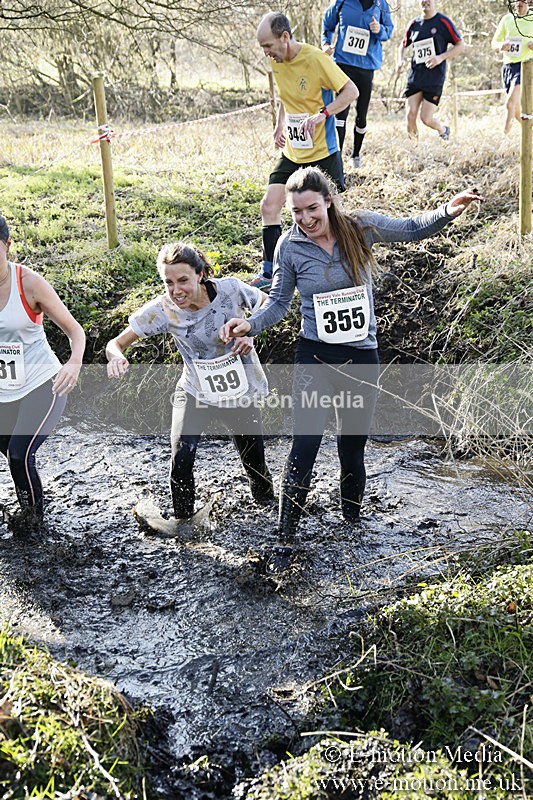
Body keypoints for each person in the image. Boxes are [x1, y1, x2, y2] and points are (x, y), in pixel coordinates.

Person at [220, 167, 482, 574]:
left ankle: (352, 524)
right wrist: (250, 324)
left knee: (351, 449)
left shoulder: (361, 228)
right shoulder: (288, 247)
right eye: (296, 213)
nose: (305, 219)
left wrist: (448, 210)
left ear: (328, 199)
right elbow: (278, 302)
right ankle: (285, 540)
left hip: (361, 359)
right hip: (315, 358)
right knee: (303, 446)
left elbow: (412, 229)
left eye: (311, 209)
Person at [106, 242, 275, 525]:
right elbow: (116, 343)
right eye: (168, 282)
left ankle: (268, 511)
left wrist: (251, 331)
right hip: (195, 390)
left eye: (183, 280)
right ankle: (184, 525)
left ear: (200, 274)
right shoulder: (163, 310)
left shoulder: (231, 290)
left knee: (254, 462)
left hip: (237, 391)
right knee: (181, 458)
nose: (176, 290)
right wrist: (115, 357)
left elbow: (268, 304)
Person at [251, 10, 358, 292]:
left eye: (268, 46)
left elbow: (351, 92)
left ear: (285, 37)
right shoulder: (277, 62)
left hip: (322, 151)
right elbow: (288, 97)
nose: (266, 54)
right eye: (263, 48)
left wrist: (323, 114)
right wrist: (279, 124)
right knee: (269, 206)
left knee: (333, 216)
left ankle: (347, 267)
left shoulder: (316, 59)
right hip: (293, 151)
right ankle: (271, 273)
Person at [0, 215, 85, 530]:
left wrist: (74, 363)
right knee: (13, 455)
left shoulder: (28, 283)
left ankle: (34, 530)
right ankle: (29, 511)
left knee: (20, 455)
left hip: (42, 382)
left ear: (8, 246)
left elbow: (75, 331)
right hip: (4, 388)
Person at [322, 0, 394, 169]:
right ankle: (337, 160)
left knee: (361, 115)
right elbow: (328, 23)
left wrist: (379, 30)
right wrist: (325, 43)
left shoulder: (381, 5)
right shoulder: (342, 2)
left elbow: (388, 31)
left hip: (366, 66)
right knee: (340, 113)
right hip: (343, 63)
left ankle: (356, 154)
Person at [396, 0, 465, 140]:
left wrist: (440, 58)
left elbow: (460, 45)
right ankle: (414, 149)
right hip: (415, 76)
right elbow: (402, 46)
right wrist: (400, 61)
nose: (425, 2)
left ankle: (443, 130)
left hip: (434, 77)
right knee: (410, 115)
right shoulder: (413, 24)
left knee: (426, 118)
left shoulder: (443, 22)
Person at [491, 0, 533, 134]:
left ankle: (504, 134)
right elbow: (494, 42)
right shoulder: (507, 19)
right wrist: (501, 45)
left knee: (509, 104)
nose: (519, 4)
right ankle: (530, 129)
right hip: (507, 66)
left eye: (523, 1)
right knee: (516, 111)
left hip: (525, 65)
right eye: (517, 1)